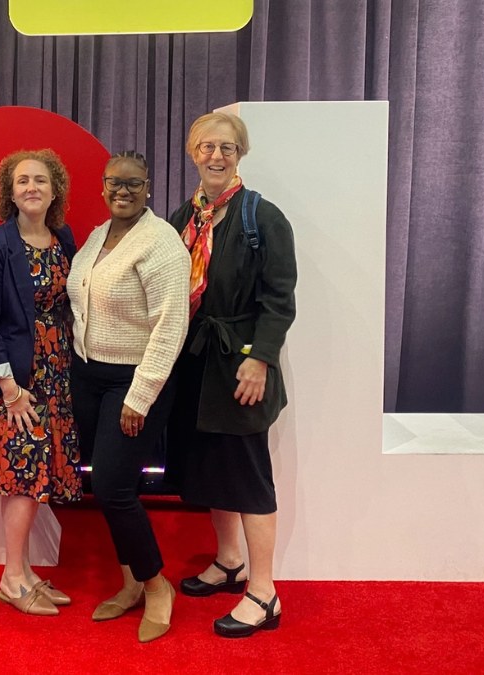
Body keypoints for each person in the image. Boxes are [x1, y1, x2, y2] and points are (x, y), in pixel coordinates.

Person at [165, 112, 298, 638]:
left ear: (240, 154)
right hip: (195, 363)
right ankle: (228, 561)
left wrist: (260, 358)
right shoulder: (183, 217)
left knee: (246, 474)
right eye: (206, 147)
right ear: (192, 153)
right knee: (210, 467)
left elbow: (280, 299)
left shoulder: (261, 217)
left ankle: (264, 592)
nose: (216, 157)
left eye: (226, 147)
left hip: (241, 363)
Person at [68, 151, 190, 643]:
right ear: (102, 186)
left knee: (115, 487)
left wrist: (139, 397)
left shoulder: (161, 242)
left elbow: (170, 325)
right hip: (90, 375)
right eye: (114, 183)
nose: (123, 191)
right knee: (108, 488)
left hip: (136, 380)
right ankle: (131, 583)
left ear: (148, 187)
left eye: (133, 184)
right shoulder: (99, 235)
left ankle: (158, 585)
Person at [0, 149, 82, 616]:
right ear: (9, 193)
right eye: (21, 181)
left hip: (56, 375)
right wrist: (9, 390)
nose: (31, 187)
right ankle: (12, 579)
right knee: (24, 478)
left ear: (55, 190)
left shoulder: (63, 239)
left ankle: (26, 572)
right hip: (15, 384)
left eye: (40, 180)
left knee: (38, 476)